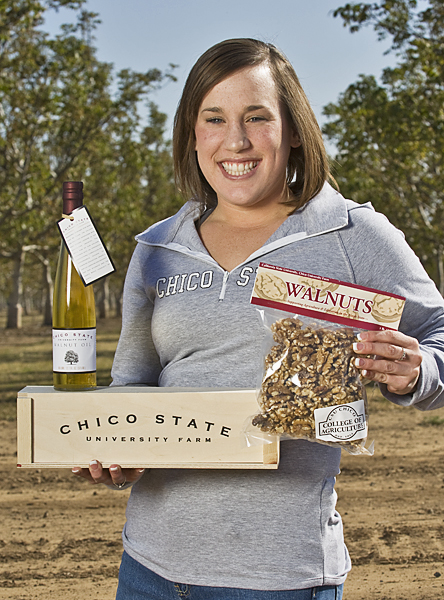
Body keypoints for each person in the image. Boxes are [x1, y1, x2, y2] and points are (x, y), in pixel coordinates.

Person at [72, 38, 444, 599]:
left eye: (257, 117)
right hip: (148, 568)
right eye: (214, 118)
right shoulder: (157, 249)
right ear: (192, 133)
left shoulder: (350, 233)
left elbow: (437, 334)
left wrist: (419, 372)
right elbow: (133, 391)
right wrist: (114, 451)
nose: (236, 141)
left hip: (280, 579)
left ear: (293, 129)